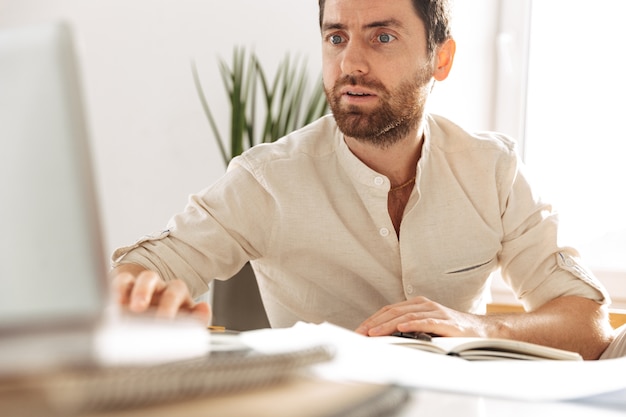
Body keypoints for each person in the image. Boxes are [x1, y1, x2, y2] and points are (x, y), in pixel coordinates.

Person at [111, 0, 620, 360]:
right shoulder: (264, 180)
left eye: (383, 36)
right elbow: (148, 266)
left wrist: (478, 328)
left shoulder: (493, 170)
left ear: (440, 59)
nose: (350, 64)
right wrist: (138, 296)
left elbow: (589, 324)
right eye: (336, 37)